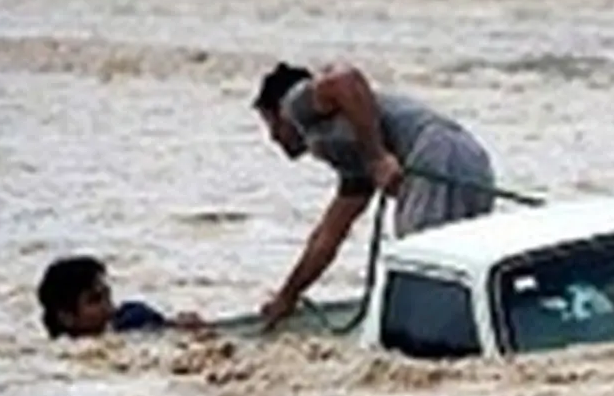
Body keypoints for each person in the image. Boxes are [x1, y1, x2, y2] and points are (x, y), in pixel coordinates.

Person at [250, 61, 498, 331]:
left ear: (278, 113)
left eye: (269, 123)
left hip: (437, 154)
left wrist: (377, 156)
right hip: (470, 158)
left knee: (419, 261)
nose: (273, 137)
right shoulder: (352, 160)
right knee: (455, 263)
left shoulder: (295, 105)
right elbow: (327, 237)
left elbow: (347, 79)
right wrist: (288, 295)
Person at [36, 255, 204, 339]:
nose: (109, 308)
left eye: (108, 297)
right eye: (95, 300)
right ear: (66, 317)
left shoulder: (132, 318)